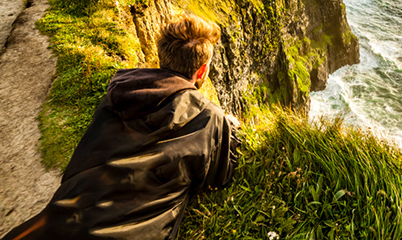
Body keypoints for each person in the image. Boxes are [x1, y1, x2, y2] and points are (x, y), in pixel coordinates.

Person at [3, 14, 240, 240]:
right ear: (203, 70)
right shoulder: (208, 117)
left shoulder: (118, 94)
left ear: (161, 57)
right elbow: (217, 177)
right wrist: (228, 128)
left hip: (56, 222)